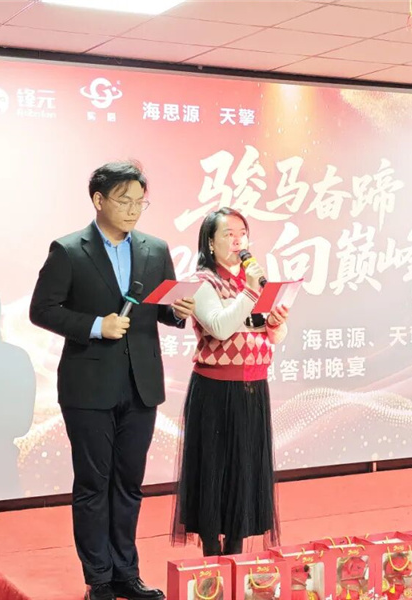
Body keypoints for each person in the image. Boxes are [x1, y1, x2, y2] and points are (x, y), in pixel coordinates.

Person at [30, 161, 194, 600]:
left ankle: (126, 573)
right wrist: (94, 326)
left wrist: (178, 311)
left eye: (140, 202)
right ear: (98, 200)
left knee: (128, 484)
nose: (134, 209)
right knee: (93, 484)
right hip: (88, 385)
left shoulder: (155, 248)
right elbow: (42, 310)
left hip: (141, 384)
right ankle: (99, 579)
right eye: (124, 201)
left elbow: (163, 309)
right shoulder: (69, 250)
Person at [172, 207, 289, 557]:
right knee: (214, 470)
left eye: (242, 233)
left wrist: (277, 322)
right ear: (210, 242)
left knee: (245, 471)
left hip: (254, 388)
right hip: (216, 390)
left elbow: (273, 336)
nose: (238, 240)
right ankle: (212, 553)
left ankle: (236, 552)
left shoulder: (254, 282)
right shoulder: (202, 282)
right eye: (228, 234)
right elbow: (220, 327)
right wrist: (251, 293)